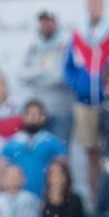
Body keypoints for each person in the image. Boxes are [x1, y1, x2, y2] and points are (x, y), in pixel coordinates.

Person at [65, 0, 109, 190]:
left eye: (97, 4)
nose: (93, 9)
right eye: (90, 5)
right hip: (85, 104)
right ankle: (95, 203)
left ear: (103, 6)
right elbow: (68, 67)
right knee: (91, 155)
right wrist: (78, 85)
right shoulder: (78, 35)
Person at [19, 9, 72, 141]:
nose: (46, 24)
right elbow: (21, 74)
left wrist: (36, 75)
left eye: (49, 20)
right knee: (40, 151)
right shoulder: (31, 44)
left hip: (61, 109)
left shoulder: (67, 43)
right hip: (38, 112)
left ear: (56, 22)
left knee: (60, 151)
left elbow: (61, 76)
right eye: (43, 21)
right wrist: (45, 72)